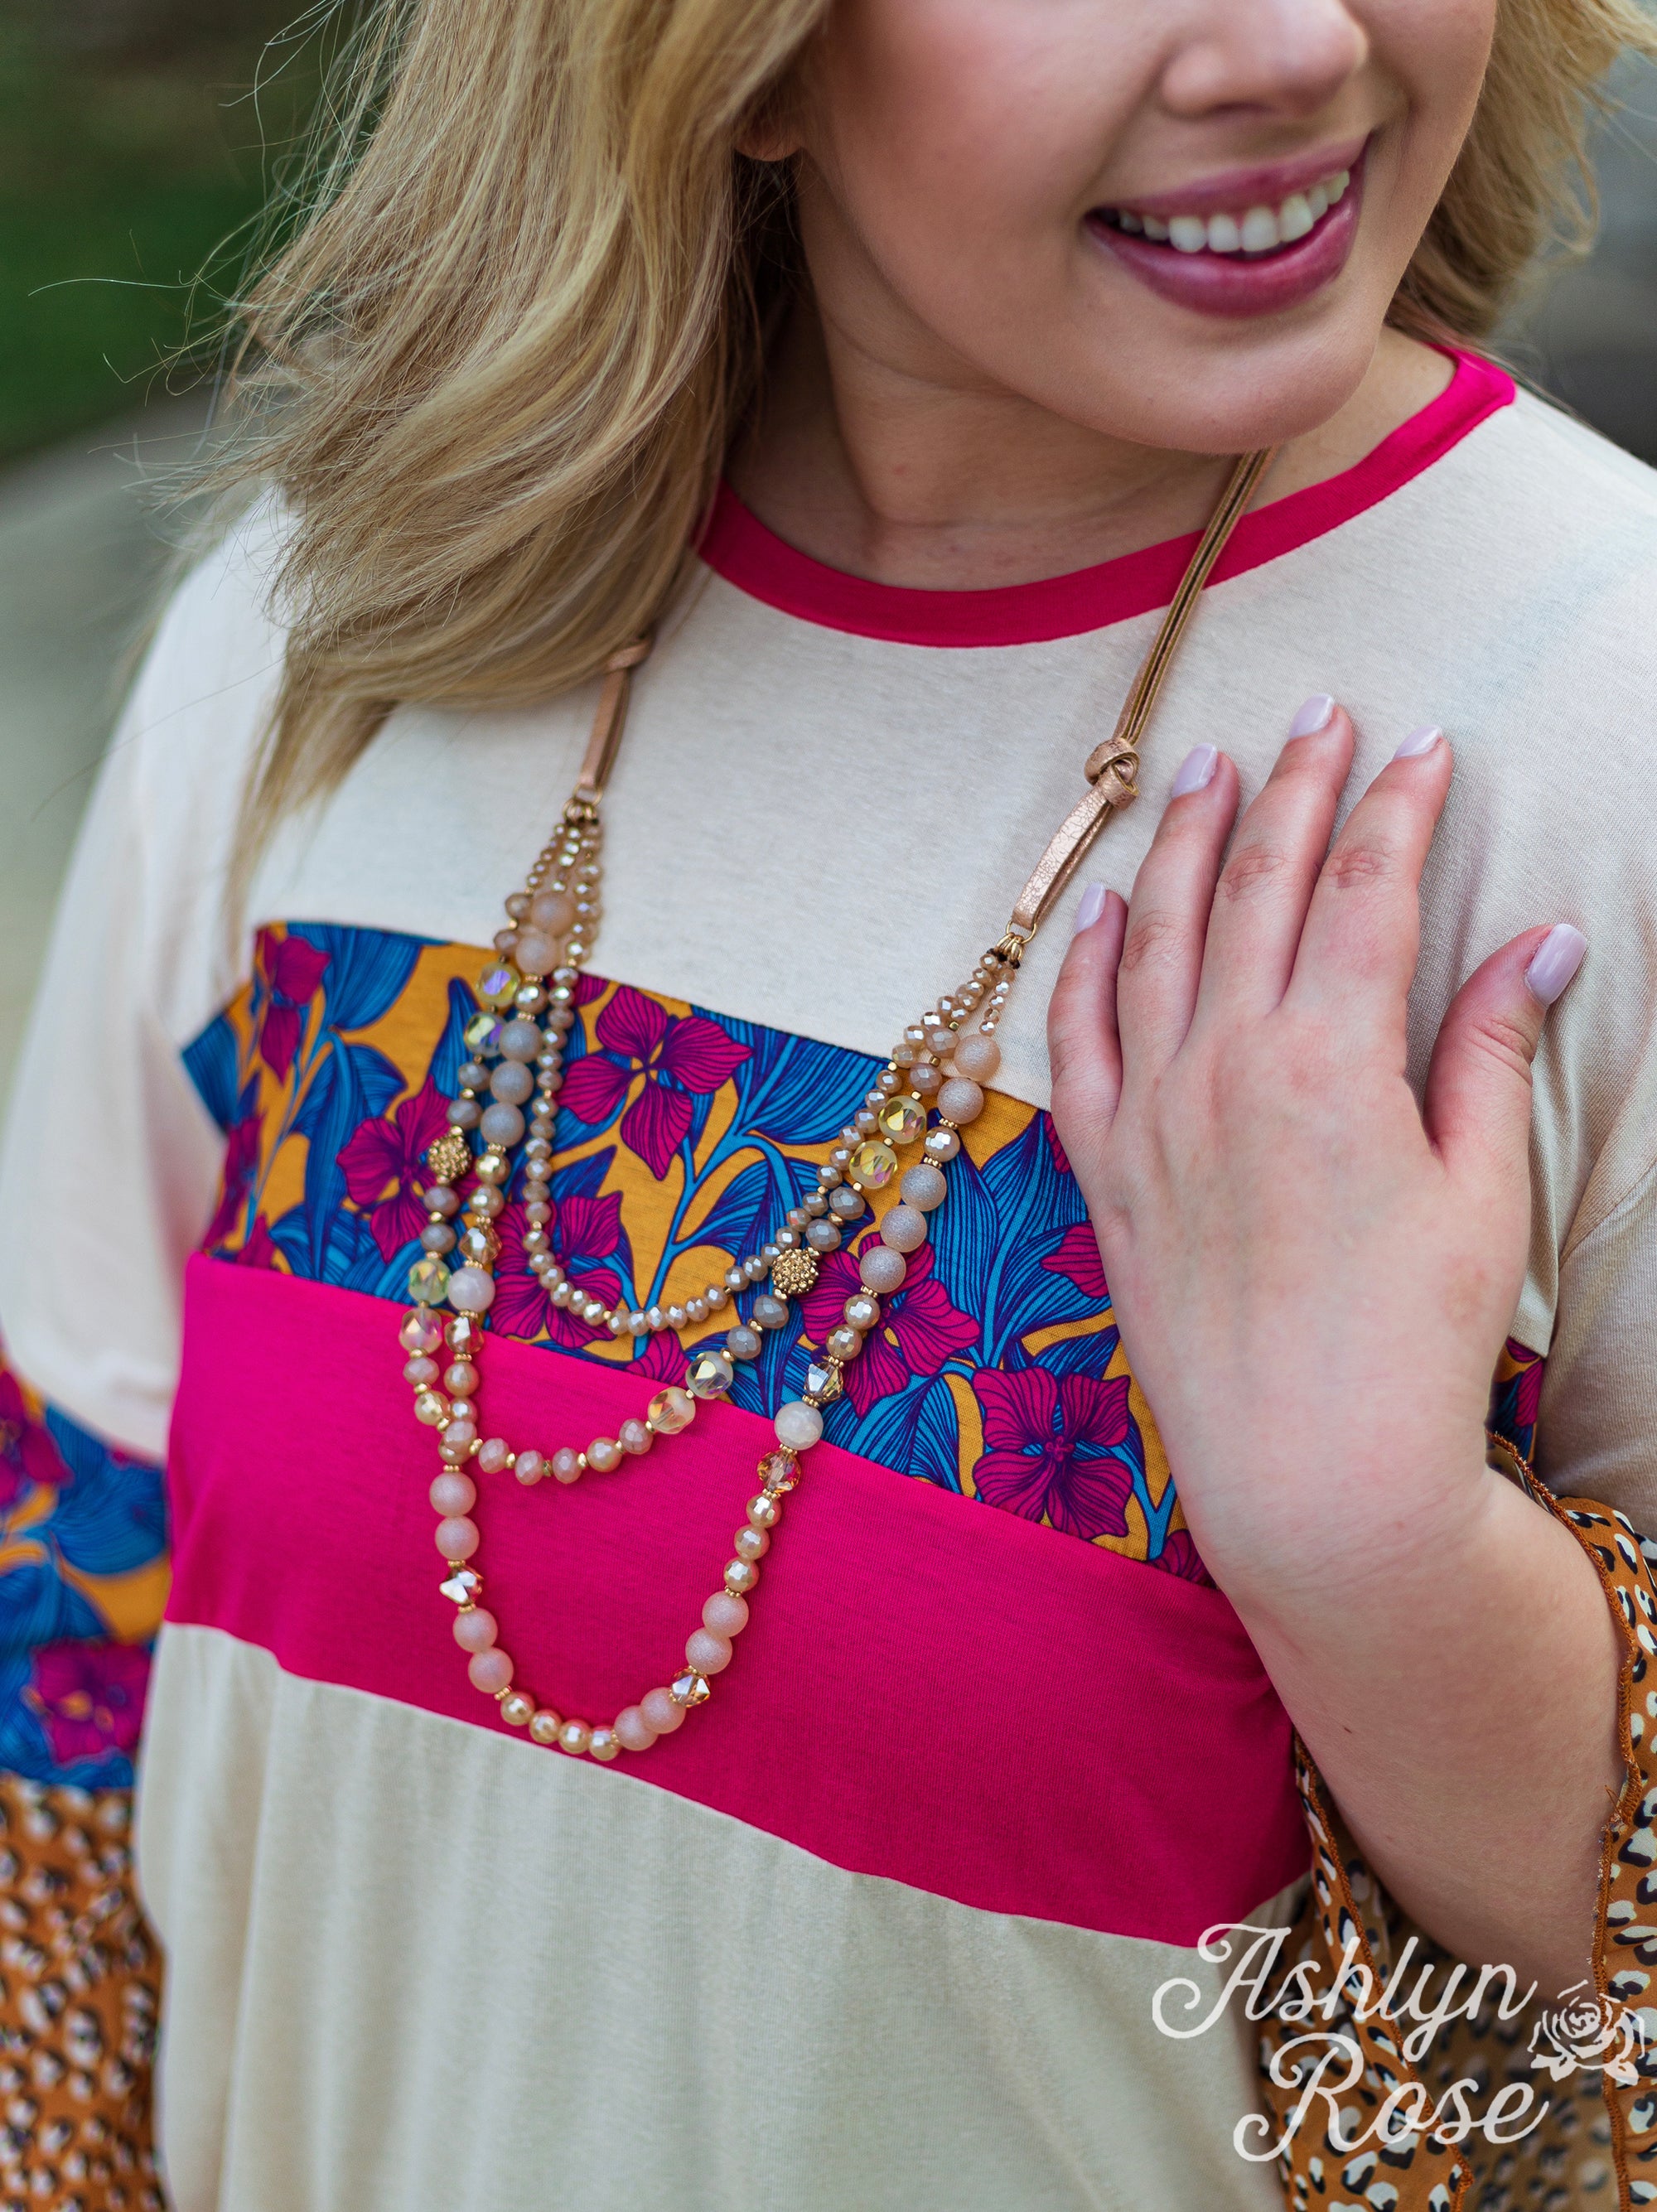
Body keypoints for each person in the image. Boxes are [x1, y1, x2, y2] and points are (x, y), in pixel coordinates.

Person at [2, 0, 1656, 2204]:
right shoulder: (339, 633)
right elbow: (58, 1702)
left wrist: (1392, 1574)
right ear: (735, 56)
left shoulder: (1604, 737)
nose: (1288, 40)